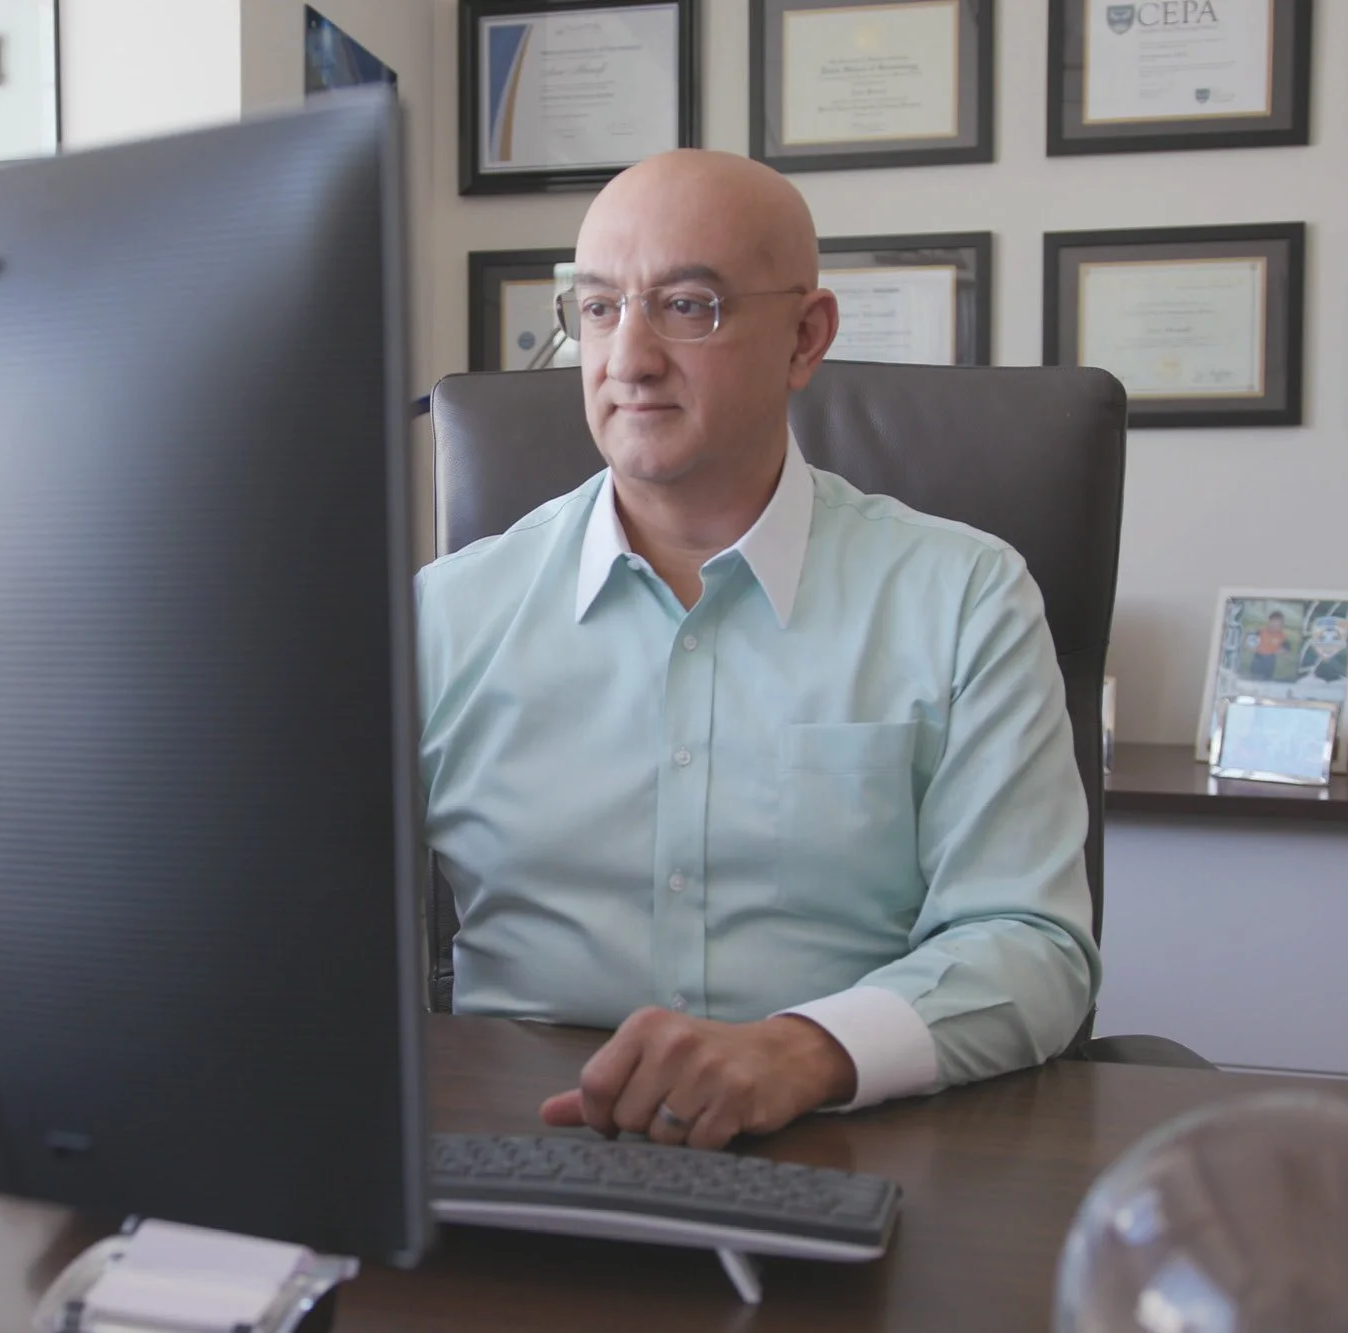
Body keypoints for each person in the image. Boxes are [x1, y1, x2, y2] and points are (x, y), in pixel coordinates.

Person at [414, 150, 1099, 1150]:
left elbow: (1030, 945)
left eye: (686, 305)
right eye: (598, 308)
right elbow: (302, 917)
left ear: (804, 336)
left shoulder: (961, 597)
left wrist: (800, 1049)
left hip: (845, 1139)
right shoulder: (450, 613)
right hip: (515, 1141)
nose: (628, 357)